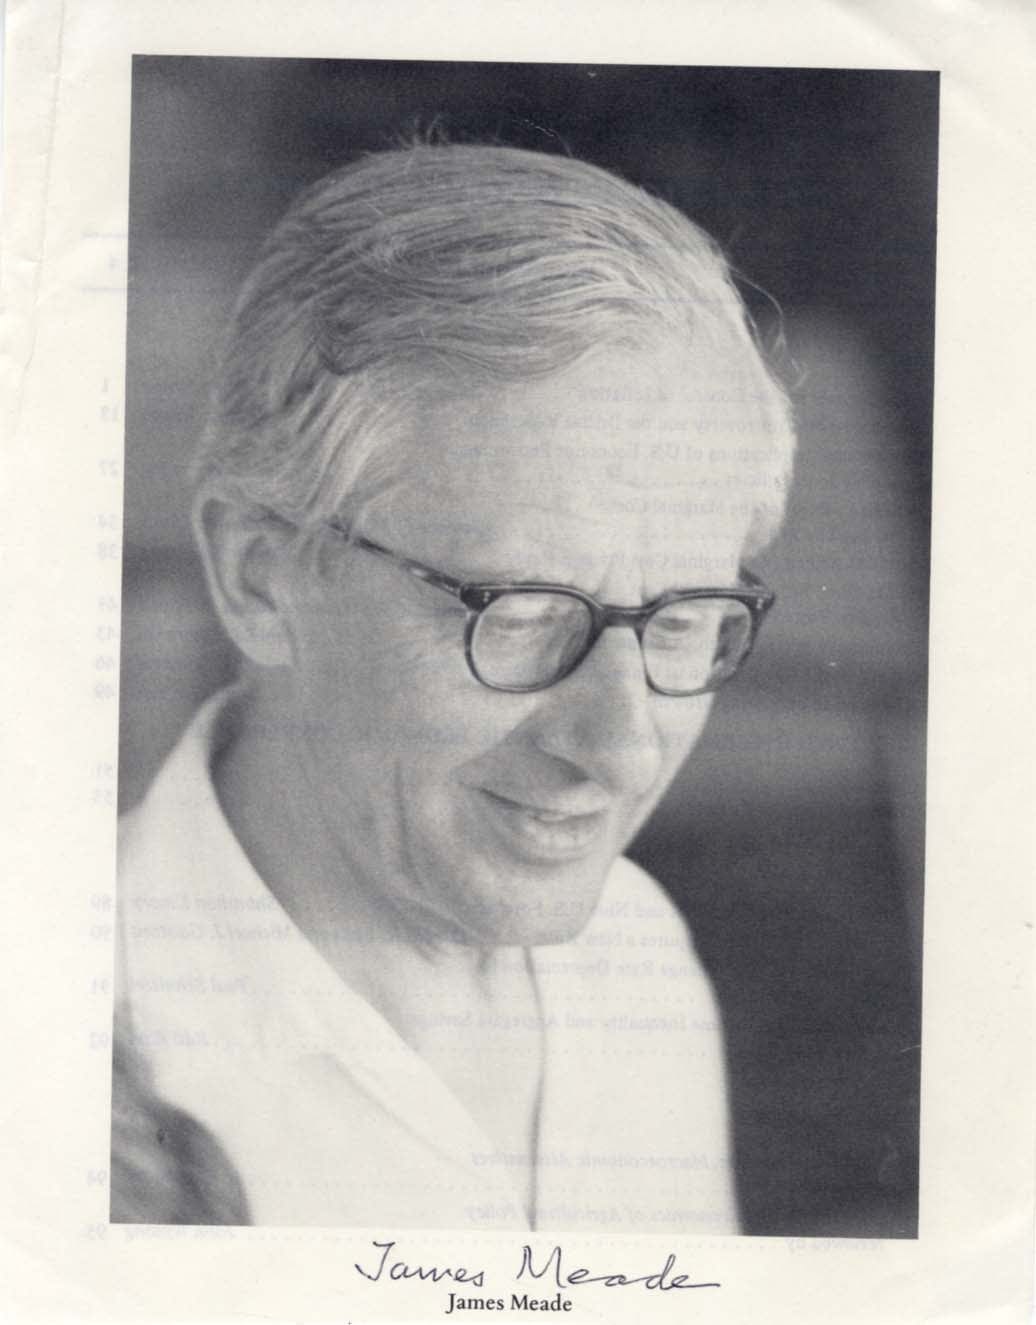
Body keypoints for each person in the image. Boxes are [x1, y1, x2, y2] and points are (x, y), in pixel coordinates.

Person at [111, 142, 796, 1231]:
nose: (623, 750)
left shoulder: (635, 951)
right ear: (260, 575)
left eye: (679, 620)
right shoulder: (69, 1059)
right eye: (517, 613)